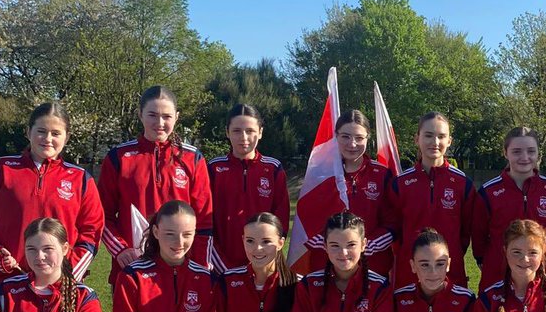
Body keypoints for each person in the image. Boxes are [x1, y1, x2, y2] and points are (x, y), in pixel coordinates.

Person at [0, 101, 104, 284]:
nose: (48, 139)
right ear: (28, 132)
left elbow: (92, 231)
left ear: (67, 137)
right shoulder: (0, 170)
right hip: (7, 279)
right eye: (41, 131)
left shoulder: (80, 179)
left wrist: (69, 271)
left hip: (61, 283)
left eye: (56, 133)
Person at [97, 85, 213, 280]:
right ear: (140, 114)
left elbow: (204, 220)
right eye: (152, 115)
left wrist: (200, 266)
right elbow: (102, 215)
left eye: (166, 116)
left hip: (182, 265)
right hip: (132, 265)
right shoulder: (119, 157)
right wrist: (121, 250)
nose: (159, 123)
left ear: (177, 116)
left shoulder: (192, 158)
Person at [385, 111, 474, 286]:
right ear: (416, 138)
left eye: (441, 136)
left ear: (449, 141)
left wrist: (450, 254)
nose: (435, 142)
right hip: (410, 273)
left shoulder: (462, 183)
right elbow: (394, 233)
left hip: (450, 272)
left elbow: (466, 233)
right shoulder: (400, 184)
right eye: (428, 135)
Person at [304, 110, 395, 278]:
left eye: (359, 138)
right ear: (336, 137)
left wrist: (363, 246)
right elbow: (307, 220)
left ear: (368, 138)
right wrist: (331, 247)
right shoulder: (320, 174)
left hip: (372, 266)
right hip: (325, 266)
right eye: (345, 136)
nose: (352, 144)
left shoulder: (382, 174)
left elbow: (392, 222)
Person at [471, 126, 546, 293]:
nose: (525, 157)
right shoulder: (488, 192)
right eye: (517, 151)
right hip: (497, 277)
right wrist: (494, 262)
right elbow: (478, 238)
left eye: (531, 151)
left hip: (539, 275)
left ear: (538, 154)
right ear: (505, 153)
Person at [208, 104, 290, 273]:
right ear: (227, 132)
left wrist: (265, 262)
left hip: (263, 263)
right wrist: (221, 265)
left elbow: (281, 219)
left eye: (250, 131)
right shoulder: (214, 168)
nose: (244, 137)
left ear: (260, 132)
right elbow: (205, 219)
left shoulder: (273, 168)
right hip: (220, 266)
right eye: (237, 130)